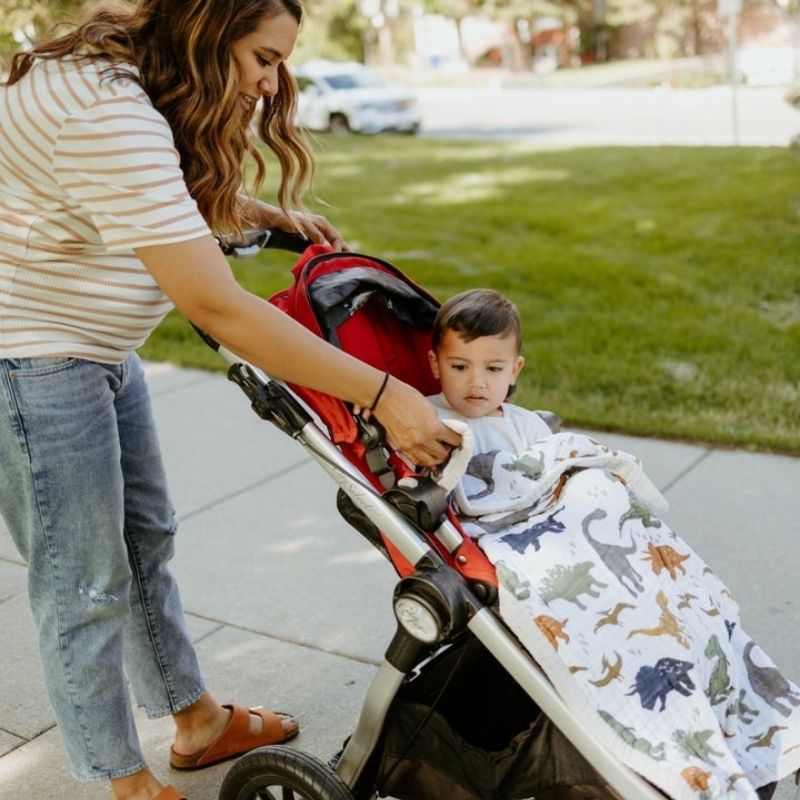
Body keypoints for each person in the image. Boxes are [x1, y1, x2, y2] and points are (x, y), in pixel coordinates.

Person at [0, 3, 460, 799]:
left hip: (94, 345)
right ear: (206, 29)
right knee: (83, 579)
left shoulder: (141, 80)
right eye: (260, 56)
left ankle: (196, 721)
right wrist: (384, 395)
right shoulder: (105, 107)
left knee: (145, 538)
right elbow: (217, 306)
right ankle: (122, 780)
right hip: (30, 354)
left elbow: (166, 206)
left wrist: (278, 224)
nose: (268, 81)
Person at [425, 289, 797, 800]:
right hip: (514, 537)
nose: (476, 382)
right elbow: (458, 487)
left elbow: (555, 464)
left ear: (515, 370)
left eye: (493, 369)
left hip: (569, 522)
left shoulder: (525, 422)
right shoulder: (431, 421)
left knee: (669, 592)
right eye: (460, 366)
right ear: (434, 363)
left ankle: (756, 717)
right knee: (606, 611)